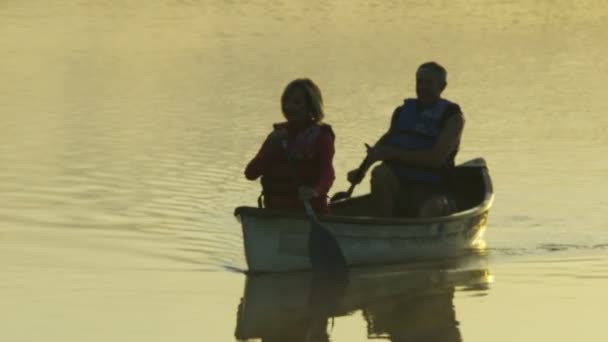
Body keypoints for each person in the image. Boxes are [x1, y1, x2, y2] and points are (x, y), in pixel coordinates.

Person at [347, 62, 464, 217]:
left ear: (442, 86)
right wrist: (361, 171)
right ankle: (387, 225)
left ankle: (417, 231)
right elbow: (382, 147)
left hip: (435, 191)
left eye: (428, 83)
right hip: (401, 185)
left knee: (431, 209)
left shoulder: (453, 117)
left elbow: (435, 159)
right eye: (419, 82)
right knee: (380, 173)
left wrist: (392, 154)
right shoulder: (402, 112)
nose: (423, 87)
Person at [245, 78, 335, 213]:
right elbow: (250, 173)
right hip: (275, 210)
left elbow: (327, 174)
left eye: (296, 102)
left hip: (310, 211)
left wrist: (315, 191)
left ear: (310, 106)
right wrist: (270, 147)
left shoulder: (322, 137)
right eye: (286, 101)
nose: (289, 107)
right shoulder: (276, 136)